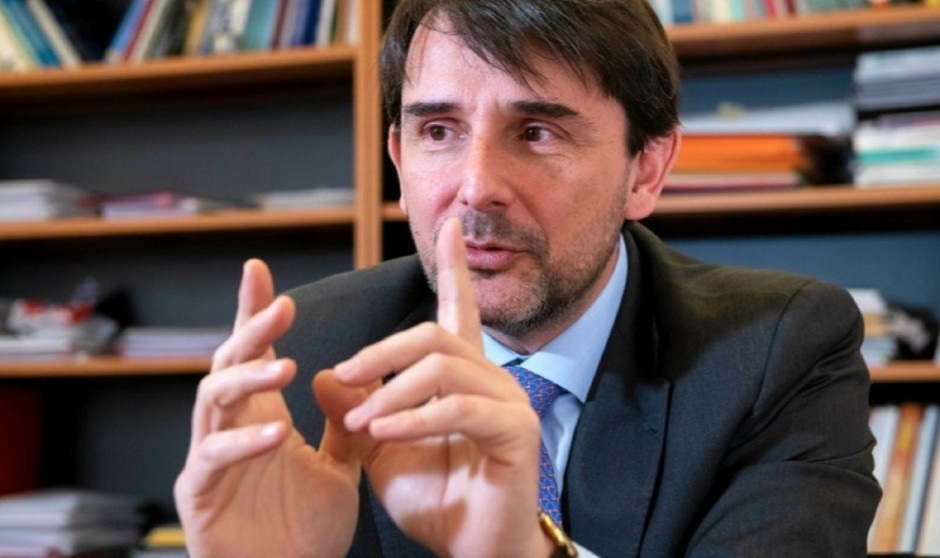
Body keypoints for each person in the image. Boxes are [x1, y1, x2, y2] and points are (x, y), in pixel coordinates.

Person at [174, 0, 882, 556]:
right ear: (398, 160)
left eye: (538, 132)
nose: (476, 187)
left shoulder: (778, 353)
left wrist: (522, 550)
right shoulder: (307, 359)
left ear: (647, 169)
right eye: (439, 131)